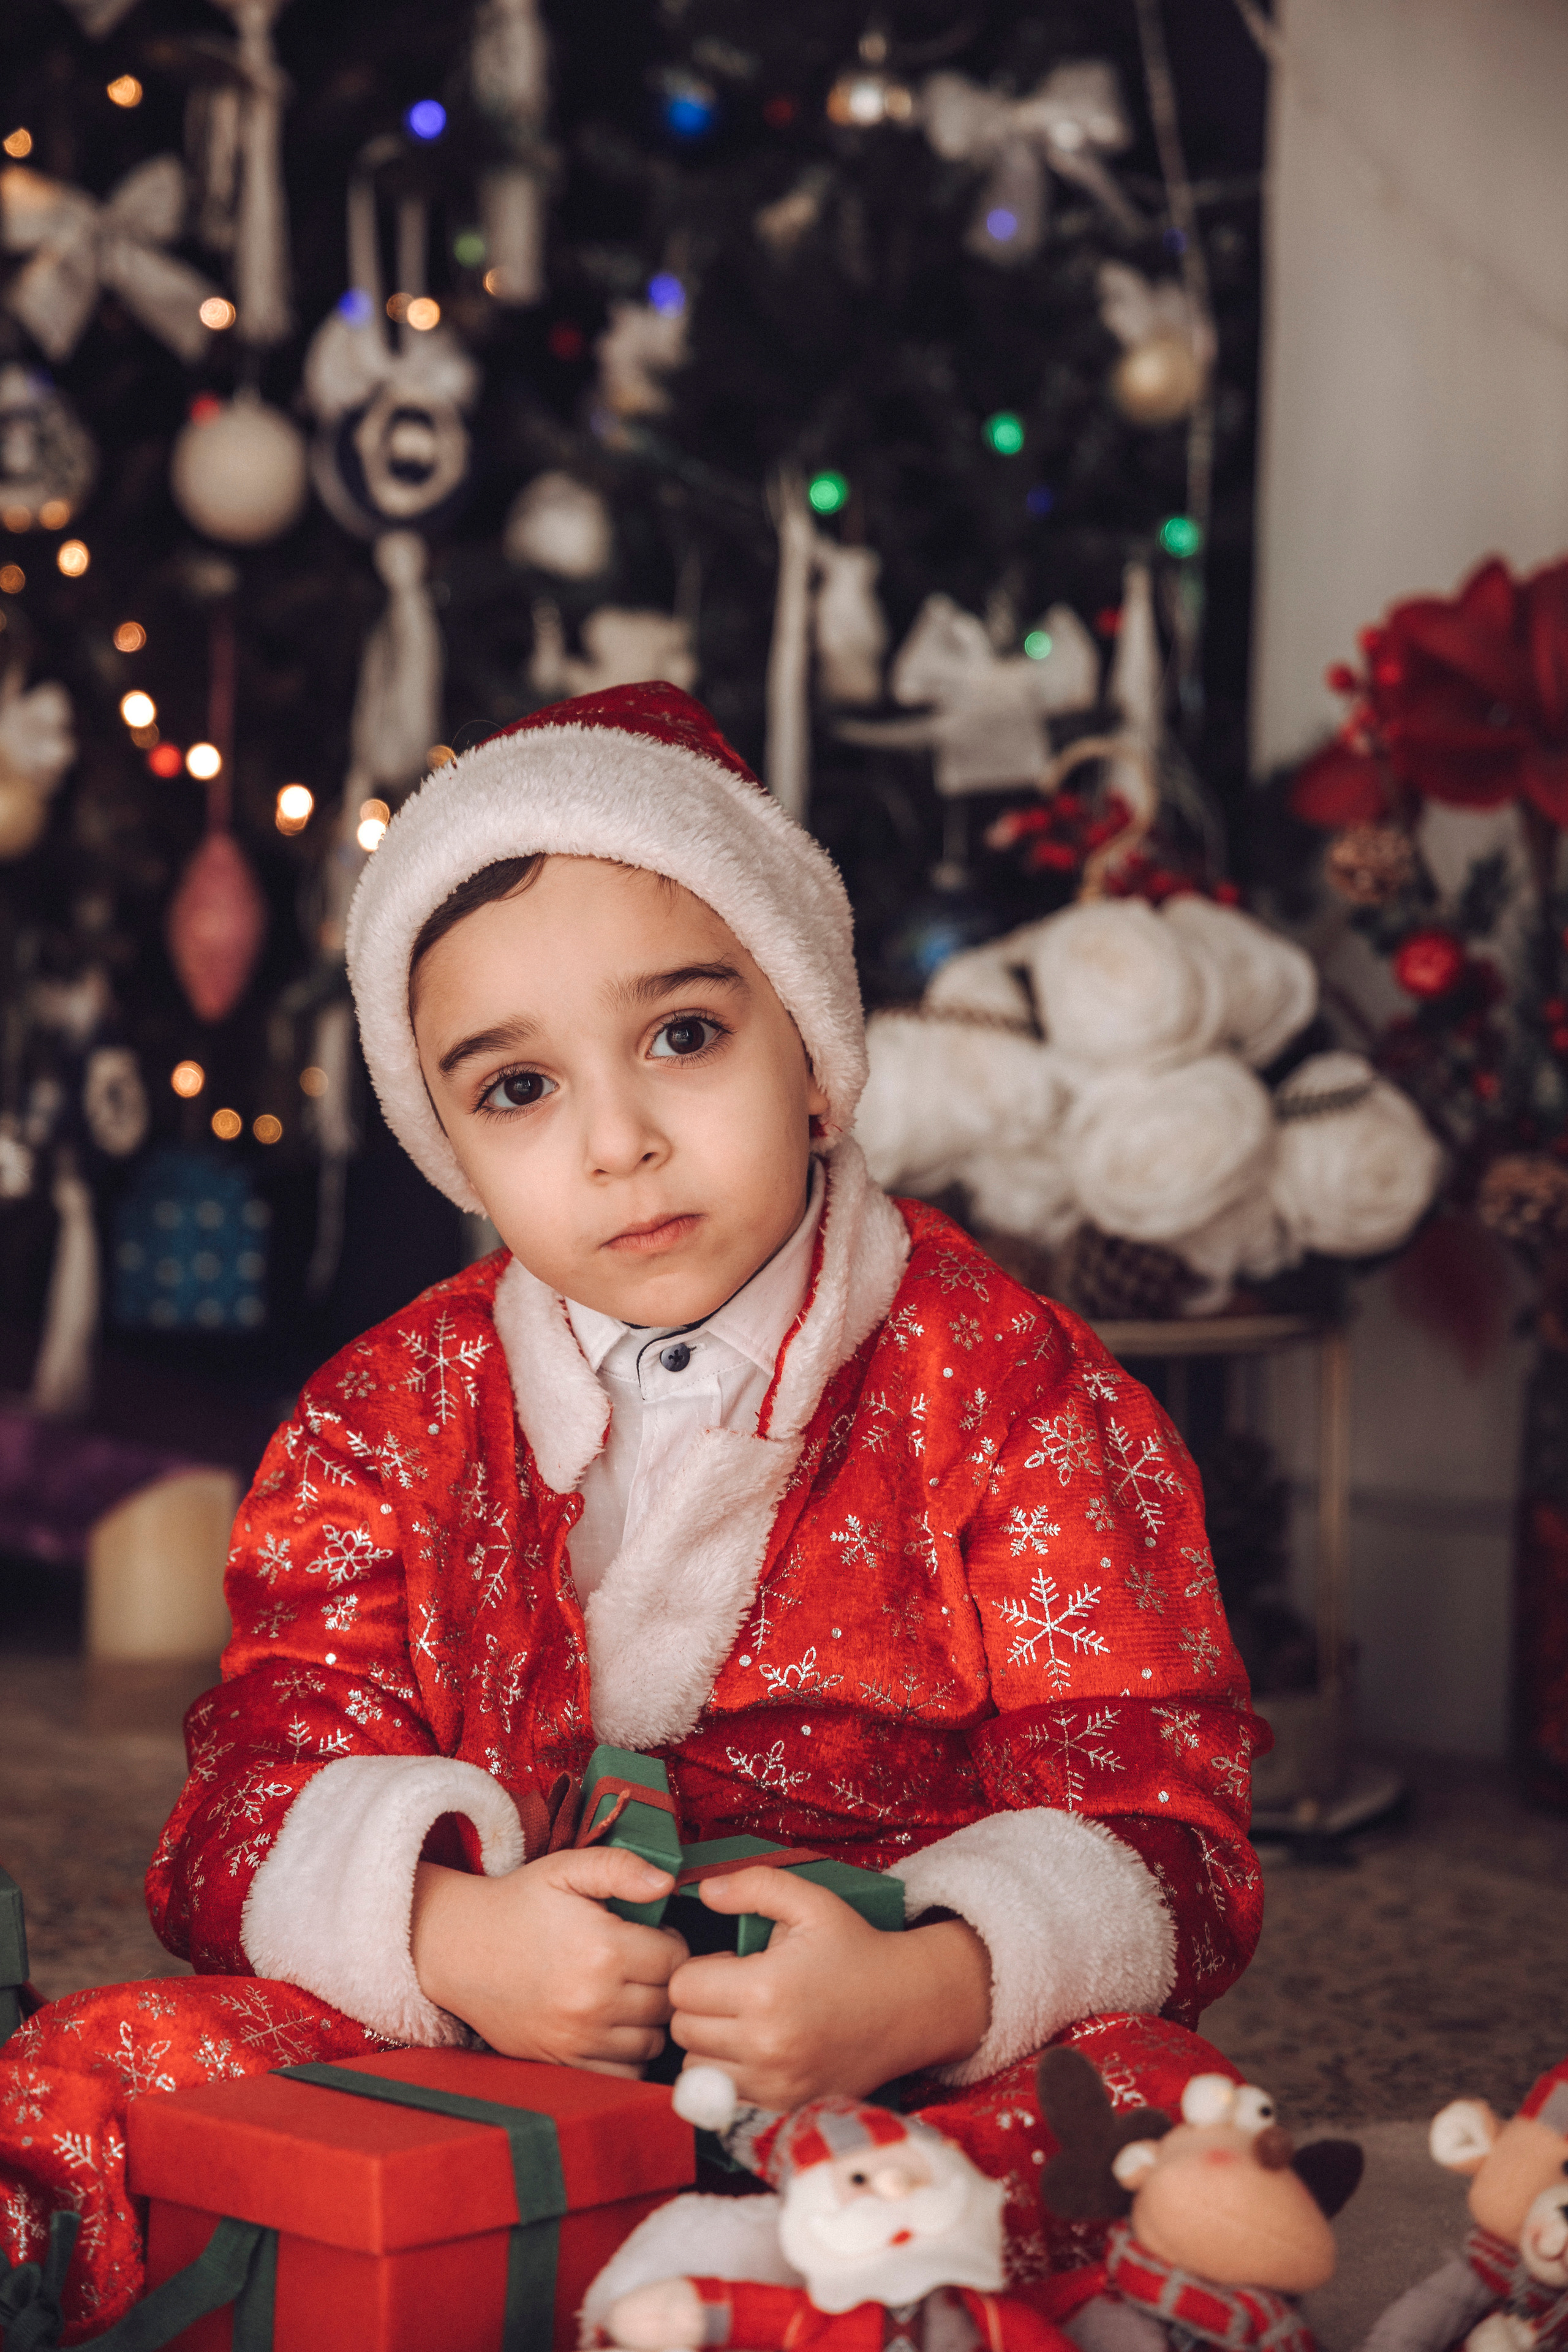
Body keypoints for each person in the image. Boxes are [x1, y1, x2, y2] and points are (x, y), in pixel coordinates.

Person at [0, 684, 1265, 2336]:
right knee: (99, 2070)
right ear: (451, 1147)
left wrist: (928, 1983)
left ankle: (790, 2278)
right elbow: (244, 1806)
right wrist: (447, 1937)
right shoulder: (382, 1415)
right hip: (495, 2028)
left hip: (888, 2040)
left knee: (1148, 2116)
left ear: (816, 1061)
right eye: (517, 1088)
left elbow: (1168, 1833)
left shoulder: (1015, 1386)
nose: (618, 1142)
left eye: (684, 1037)